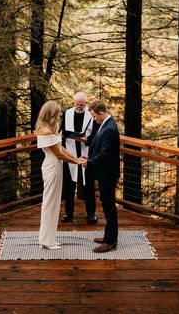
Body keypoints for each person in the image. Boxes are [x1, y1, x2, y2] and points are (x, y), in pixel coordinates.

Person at [35, 100, 86, 250]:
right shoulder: (45, 130)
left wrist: (76, 158)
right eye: (56, 114)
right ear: (51, 114)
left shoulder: (51, 128)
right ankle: (46, 241)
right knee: (49, 203)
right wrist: (76, 163)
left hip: (56, 166)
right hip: (52, 167)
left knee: (54, 203)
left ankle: (48, 239)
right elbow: (59, 154)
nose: (58, 116)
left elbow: (62, 148)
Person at [83, 99, 120, 253]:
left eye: (94, 116)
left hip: (108, 174)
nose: (94, 119)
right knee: (106, 205)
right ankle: (107, 236)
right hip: (104, 173)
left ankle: (111, 241)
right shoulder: (104, 125)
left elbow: (105, 155)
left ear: (101, 113)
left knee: (109, 207)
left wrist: (89, 163)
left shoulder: (110, 129)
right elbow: (97, 145)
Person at [60, 91, 98, 224]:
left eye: (81, 105)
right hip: (70, 153)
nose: (79, 107)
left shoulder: (91, 115)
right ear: (73, 102)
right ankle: (68, 213)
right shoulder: (67, 113)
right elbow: (61, 129)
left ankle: (91, 213)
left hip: (86, 153)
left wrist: (86, 139)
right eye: (77, 104)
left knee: (88, 185)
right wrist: (62, 134)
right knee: (69, 185)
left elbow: (96, 135)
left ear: (85, 104)